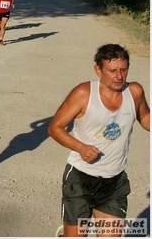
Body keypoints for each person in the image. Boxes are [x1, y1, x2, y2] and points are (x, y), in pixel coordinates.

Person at [48, 44, 150, 237]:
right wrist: (80, 147)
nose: (119, 76)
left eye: (123, 69)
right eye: (112, 71)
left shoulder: (134, 92)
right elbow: (54, 127)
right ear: (98, 70)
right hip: (80, 179)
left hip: (114, 182)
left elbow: (145, 117)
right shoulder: (84, 94)